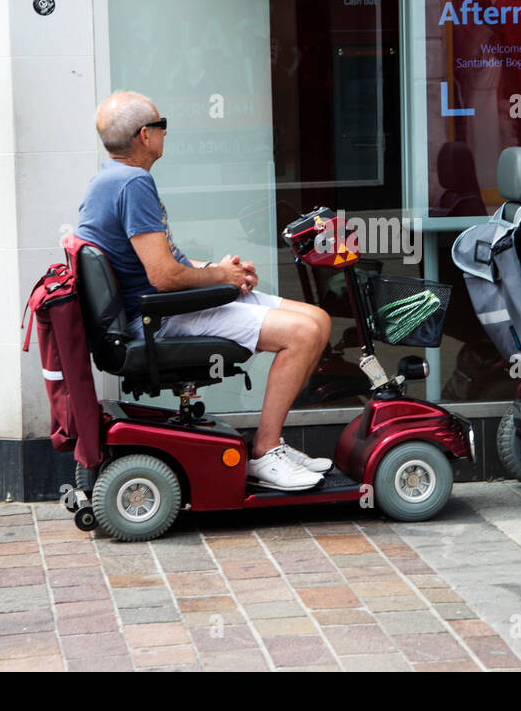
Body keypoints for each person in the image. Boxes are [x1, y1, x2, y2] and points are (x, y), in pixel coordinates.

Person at [76, 91, 333, 492]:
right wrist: (221, 279)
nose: (165, 133)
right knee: (302, 334)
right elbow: (163, 277)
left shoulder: (110, 178)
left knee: (318, 319)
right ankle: (265, 451)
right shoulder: (133, 184)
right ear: (146, 135)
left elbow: (164, 262)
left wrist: (221, 271)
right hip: (161, 317)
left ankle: (273, 444)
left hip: (163, 305)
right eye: (163, 126)